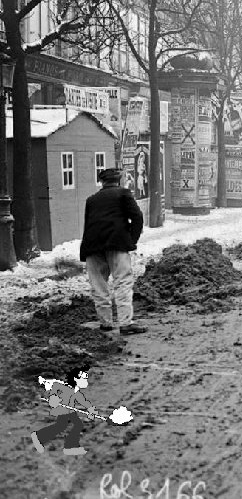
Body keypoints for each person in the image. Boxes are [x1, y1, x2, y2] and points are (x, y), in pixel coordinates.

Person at [80, 168, 146, 335]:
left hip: (93, 245)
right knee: (122, 281)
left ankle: (105, 322)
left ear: (101, 182)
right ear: (118, 181)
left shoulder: (91, 199)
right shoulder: (123, 193)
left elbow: (88, 223)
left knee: (98, 284)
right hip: (117, 243)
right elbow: (137, 217)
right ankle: (125, 323)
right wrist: (132, 240)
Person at [31, 367, 97, 456]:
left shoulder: (76, 392)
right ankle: (39, 437)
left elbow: (83, 402)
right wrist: (53, 398)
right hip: (63, 410)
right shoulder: (63, 387)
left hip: (70, 411)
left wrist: (90, 409)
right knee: (61, 426)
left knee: (75, 425)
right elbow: (54, 389)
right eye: (84, 379)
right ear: (75, 379)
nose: (86, 381)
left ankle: (69, 447)